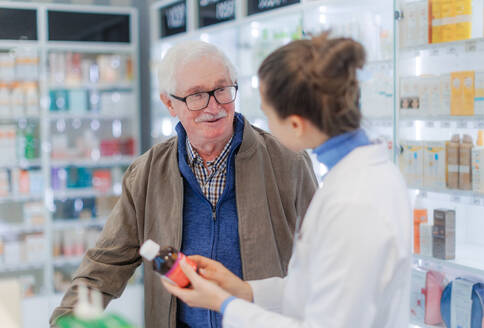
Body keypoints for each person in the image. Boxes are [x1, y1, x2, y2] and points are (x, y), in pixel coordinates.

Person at [49, 41, 317, 328]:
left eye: (222, 89)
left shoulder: (287, 160)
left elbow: (323, 257)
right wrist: (67, 318)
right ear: (169, 103)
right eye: (196, 95)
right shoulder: (147, 173)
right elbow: (105, 264)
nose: (213, 106)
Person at [162, 33, 412, 328]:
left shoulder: (355, 202)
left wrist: (224, 305)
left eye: (268, 115)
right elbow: (316, 288)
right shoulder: (352, 178)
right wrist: (244, 291)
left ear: (295, 124)